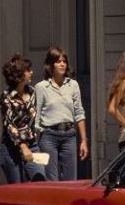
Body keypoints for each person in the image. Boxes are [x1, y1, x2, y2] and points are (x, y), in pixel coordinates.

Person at [34, 46, 88, 181]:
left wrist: (84, 140)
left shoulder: (73, 85)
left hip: (69, 135)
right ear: (51, 64)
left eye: (64, 61)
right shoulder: (41, 87)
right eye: (58, 61)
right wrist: (36, 142)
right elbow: (37, 116)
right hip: (49, 136)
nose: (62, 64)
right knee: (51, 179)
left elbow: (79, 113)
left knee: (71, 179)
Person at [0, 53, 44, 183]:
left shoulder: (33, 92)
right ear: (19, 74)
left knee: (40, 181)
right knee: (16, 189)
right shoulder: (7, 98)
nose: (31, 73)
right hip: (12, 149)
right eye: (28, 70)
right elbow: (10, 125)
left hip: (32, 145)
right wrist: (23, 147)